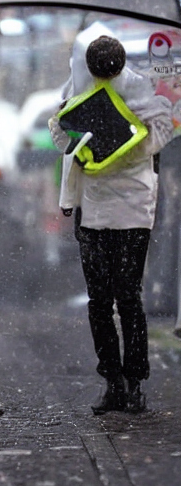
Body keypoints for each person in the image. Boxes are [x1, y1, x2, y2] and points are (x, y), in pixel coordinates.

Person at [49, 33, 173, 415]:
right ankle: (115, 383)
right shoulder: (79, 86)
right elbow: (59, 128)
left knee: (124, 296)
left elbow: (163, 128)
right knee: (104, 300)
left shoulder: (138, 88)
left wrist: (128, 146)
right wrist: (81, 145)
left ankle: (132, 382)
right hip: (93, 208)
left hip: (132, 209)